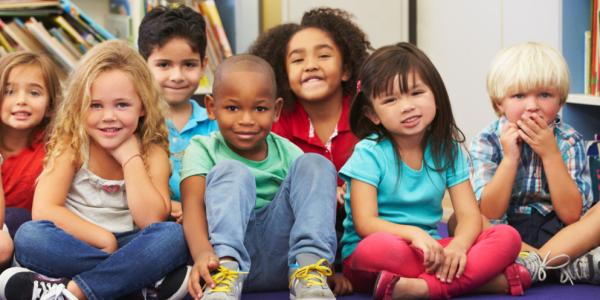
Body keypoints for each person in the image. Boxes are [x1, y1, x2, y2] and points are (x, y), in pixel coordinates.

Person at [0, 40, 190, 300]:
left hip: (131, 244)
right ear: (80, 106)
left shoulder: (151, 151)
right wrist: (103, 239)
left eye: (121, 105)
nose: (108, 116)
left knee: (173, 237)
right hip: (75, 244)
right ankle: (134, 285)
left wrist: (130, 157)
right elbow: (44, 209)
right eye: (96, 105)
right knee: (30, 236)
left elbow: (152, 220)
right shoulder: (73, 144)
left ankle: (74, 290)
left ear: (143, 106)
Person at [340, 43, 529, 299]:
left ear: (435, 96)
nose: (407, 106)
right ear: (373, 114)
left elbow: (469, 216)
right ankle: (479, 282)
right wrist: (414, 234)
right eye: (391, 100)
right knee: (378, 248)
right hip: (375, 252)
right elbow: (365, 223)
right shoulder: (368, 153)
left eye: (416, 92)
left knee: (507, 237)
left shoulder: (447, 149)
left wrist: (459, 248)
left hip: (433, 251)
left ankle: (422, 288)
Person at [181, 54, 337, 300]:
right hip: (223, 264)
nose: (246, 120)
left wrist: (328, 265)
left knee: (315, 164)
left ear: (276, 111)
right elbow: (192, 209)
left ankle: (309, 271)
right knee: (231, 171)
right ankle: (227, 271)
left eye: (260, 108)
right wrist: (202, 254)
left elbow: (312, 210)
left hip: (285, 261)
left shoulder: (288, 152)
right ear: (211, 108)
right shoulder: (201, 149)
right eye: (232, 108)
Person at [249, 8, 371, 294]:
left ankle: (339, 268)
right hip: (297, 231)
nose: (311, 65)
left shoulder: (367, 114)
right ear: (283, 74)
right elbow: (273, 190)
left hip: (357, 224)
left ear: (346, 69)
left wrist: (350, 189)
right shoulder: (278, 120)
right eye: (298, 59)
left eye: (324, 56)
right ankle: (312, 270)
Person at [468, 42, 599, 285]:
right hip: (506, 232)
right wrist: (510, 159)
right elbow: (490, 212)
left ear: (560, 102)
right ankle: (559, 267)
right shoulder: (486, 141)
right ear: (499, 103)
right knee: (462, 219)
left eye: (545, 95)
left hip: (560, 232)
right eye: (519, 95)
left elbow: (572, 215)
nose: (532, 105)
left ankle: (532, 266)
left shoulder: (570, 140)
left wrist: (550, 155)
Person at [139, 5, 218, 223]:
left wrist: (197, 210)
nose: (177, 76)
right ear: (142, 66)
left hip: (210, 222)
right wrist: (174, 208)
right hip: (154, 223)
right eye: (164, 65)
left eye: (189, 65)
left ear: (204, 65)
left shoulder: (217, 125)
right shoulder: (134, 124)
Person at [0, 51, 61, 270]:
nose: (21, 101)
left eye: (34, 93)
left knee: (21, 219)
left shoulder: (54, 150)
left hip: (29, 240)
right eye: (9, 92)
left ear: (51, 105)